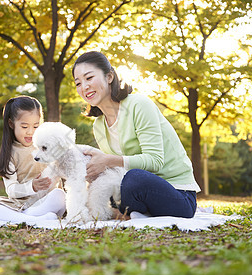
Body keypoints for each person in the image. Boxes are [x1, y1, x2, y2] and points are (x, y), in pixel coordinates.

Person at [72, 51, 200, 219]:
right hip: (133, 191)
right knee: (101, 188)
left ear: (109, 77)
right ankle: (134, 213)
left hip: (177, 194)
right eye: (78, 83)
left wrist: (108, 161)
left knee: (134, 179)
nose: (84, 87)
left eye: (89, 78)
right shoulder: (98, 125)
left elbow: (154, 161)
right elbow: (116, 170)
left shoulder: (139, 105)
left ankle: (129, 213)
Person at [0, 96, 66, 222]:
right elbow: (11, 190)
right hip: (19, 206)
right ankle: (30, 219)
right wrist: (32, 187)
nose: (30, 132)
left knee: (59, 196)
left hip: (46, 202)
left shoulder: (48, 145)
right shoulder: (11, 153)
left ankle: (26, 218)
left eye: (35, 126)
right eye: (24, 127)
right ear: (11, 124)